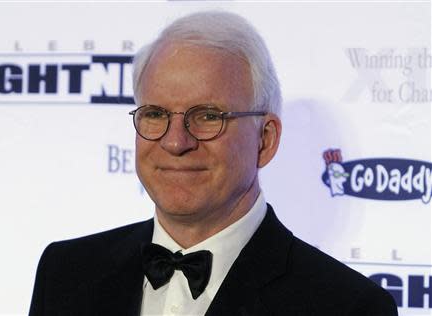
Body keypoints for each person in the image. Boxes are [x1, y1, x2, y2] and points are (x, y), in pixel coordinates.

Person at [29, 10, 398, 316]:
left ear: (265, 140)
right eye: (156, 114)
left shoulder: (348, 307)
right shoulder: (65, 273)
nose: (176, 141)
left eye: (207, 116)